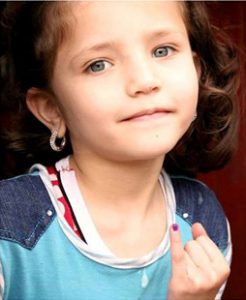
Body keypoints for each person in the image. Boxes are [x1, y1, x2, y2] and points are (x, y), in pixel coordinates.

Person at [0, 1, 240, 300]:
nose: (144, 81)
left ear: (196, 69)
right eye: (98, 64)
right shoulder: (10, 225)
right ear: (52, 109)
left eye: (162, 50)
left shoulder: (203, 219)